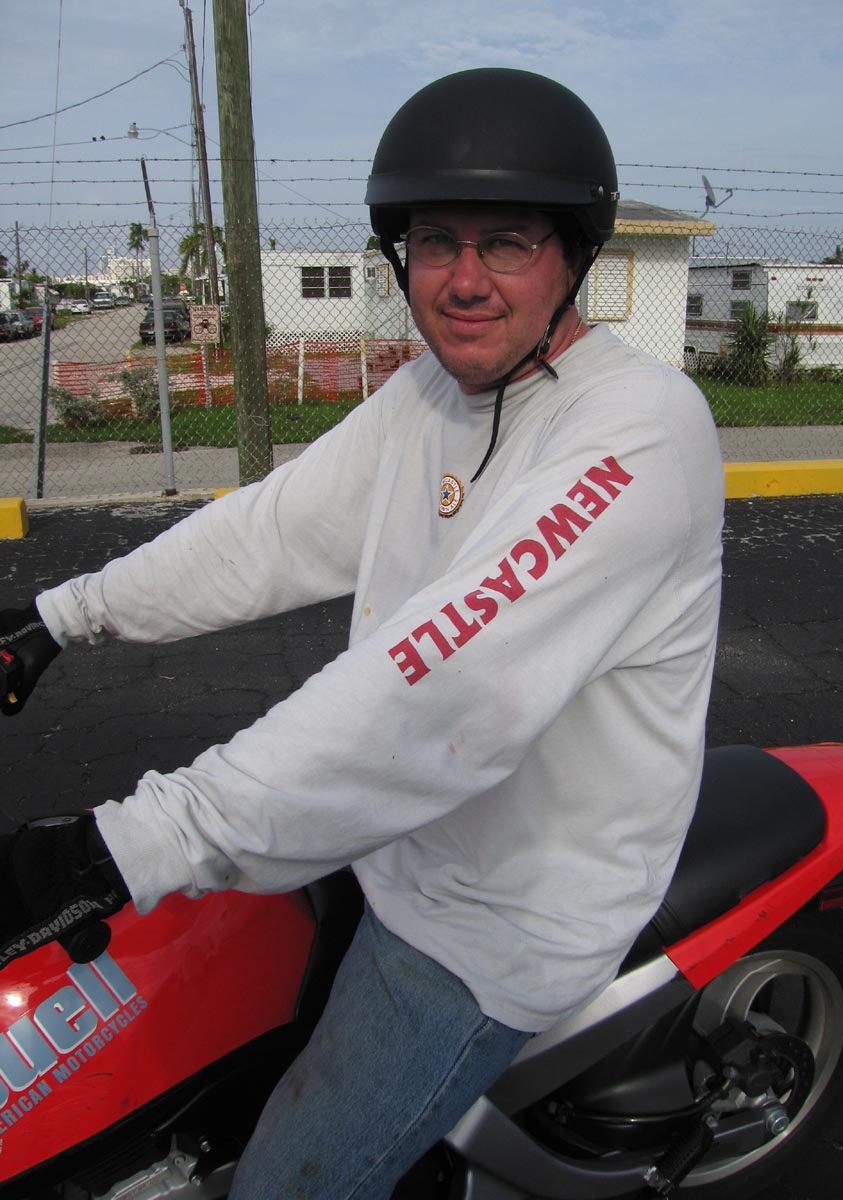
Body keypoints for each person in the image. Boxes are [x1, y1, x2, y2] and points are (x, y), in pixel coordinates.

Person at [0, 68, 723, 1199]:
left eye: (508, 241)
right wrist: (62, 616)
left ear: (573, 255)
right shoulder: (430, 397)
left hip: (504, 915)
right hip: (390, 844)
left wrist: (119, 847)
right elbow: (269, 531)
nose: (466, 279)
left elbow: (435, 683)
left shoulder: (640, 431)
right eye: (436, 241)